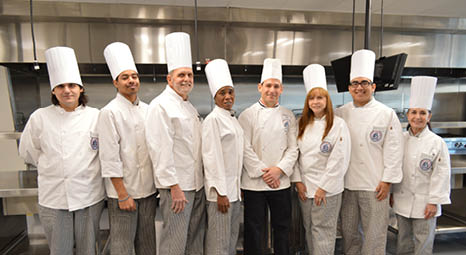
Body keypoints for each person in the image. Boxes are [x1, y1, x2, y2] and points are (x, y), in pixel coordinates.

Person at [19, 46, 105, 255]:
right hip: (54, 196)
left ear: (80, 88)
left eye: (72, 85)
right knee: (59, 250)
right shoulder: (39, 117)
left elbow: (105, 153)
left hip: (89, 195)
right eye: (61, 86)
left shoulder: (96, 116)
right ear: (53, 91)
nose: (67, 90)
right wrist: (55, 167)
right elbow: (28, 152)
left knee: (88, 250)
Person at [335, 49, 403, 255]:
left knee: (375, 234)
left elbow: (394, 149)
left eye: (364, 83)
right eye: (355, 83)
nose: (359, 87)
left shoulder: (386, 113)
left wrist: (387, 181)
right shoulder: (340, 113)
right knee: (349, 233)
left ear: (373, 86)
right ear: (349, 88)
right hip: (346, 184)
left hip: (375, 185)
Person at [146, 32, 205, 255]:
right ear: (169, 78)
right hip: (178, 187)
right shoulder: (160, 106)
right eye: (181, 75)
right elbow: (160, 150)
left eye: (190, 75)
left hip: (196, 184)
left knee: (193, 239)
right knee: (175, 241)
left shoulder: (188, 106)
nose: (187, 79)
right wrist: (174, 187)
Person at [98, 42, 156, 255]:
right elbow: (109, 157)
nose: (131, 80)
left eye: (134, 76)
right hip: (123, 193)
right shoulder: (109, 112)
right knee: (122, 246)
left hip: (148, 191)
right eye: (125, 77)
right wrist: (122, 194)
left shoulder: (149, 110)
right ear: (115, 82)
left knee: (148, 245)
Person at [239, 58, 298, 255]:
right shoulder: (247, 115)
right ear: (260, 87)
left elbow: (293, 149)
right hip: (254, 183)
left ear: (281, 89)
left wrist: (278, 170)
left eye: (276, 86)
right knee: (253, 229)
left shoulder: (288, 115)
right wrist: (264, 173)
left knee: (282, 227)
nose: (272, 90)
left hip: (280, 182)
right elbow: (244, 148)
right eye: (268, 85)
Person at [291, 64, 351, 255]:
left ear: (327, 100)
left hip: (327, 190)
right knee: (309, 230)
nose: (316, 101)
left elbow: (339, 160)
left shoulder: (338, 124)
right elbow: (295, 154)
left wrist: (323, 188)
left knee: (323, 232)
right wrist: (298, 181)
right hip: (306, 188)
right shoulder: (301, 123)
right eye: (312, 98)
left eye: (320, 97)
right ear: (307, 101)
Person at [392, 76, 451, 255]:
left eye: (423, 113)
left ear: (429, 116)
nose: (417, 117)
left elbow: (441, 174)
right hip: (402, 199)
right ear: (408, 114)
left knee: (423, 243)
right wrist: (392, 193)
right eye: (414, 112)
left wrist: (434, 201)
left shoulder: (437, 142)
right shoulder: (399, 139)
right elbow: (394, 167)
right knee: (402, 242)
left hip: (426, 203)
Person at [202, 59, 243, 255]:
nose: (227, 96)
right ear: (215, 96)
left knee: (230, 241)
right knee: (218, 243)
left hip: (234, 192)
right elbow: (212, 158)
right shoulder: (213, 120)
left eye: (230, 92)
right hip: (221, 194)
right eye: (222, 93)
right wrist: (220, 192)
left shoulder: (232, 118)